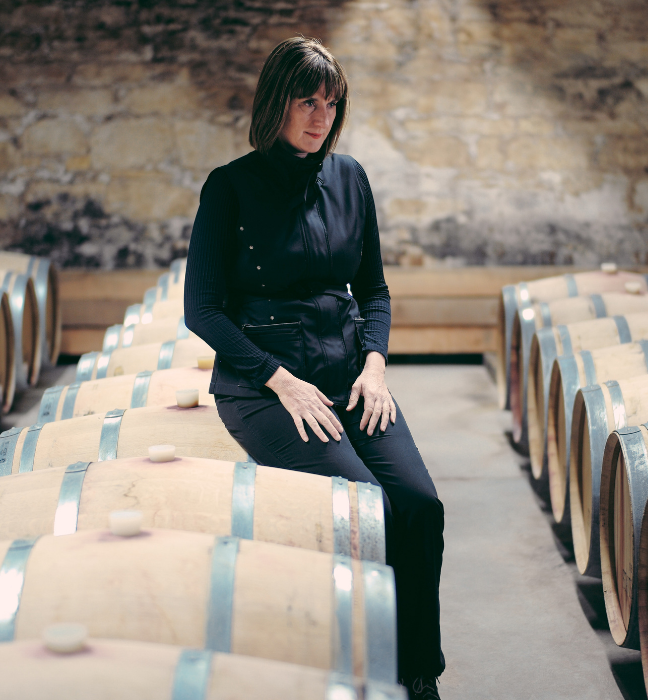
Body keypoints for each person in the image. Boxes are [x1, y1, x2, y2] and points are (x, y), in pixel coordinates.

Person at [184, 36, 446, 700]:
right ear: (277, 102)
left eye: (332, 103)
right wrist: (278, 379)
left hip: (348, 373)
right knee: (366, 512)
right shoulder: (230, 188)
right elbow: (204, 310)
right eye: (307, 101)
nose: (320, 117)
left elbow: (375, 292)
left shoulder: (350, 177)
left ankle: (416, 673)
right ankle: (360, 668)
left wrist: (377, 367)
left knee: (419, 505)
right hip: (265, 386)